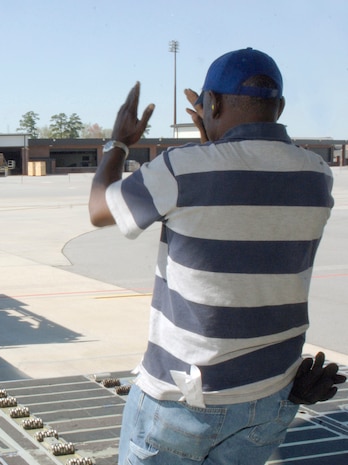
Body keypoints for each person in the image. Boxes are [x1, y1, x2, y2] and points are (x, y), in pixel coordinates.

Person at [89, 48, 344, 464]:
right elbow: (245, 185)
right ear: (278, 107)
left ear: (213, 103)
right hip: (270, 396)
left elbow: (101, 207)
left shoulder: (182, 169)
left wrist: (118, 142)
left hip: (183, 400)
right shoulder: (317, 175)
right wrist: (215, 139)